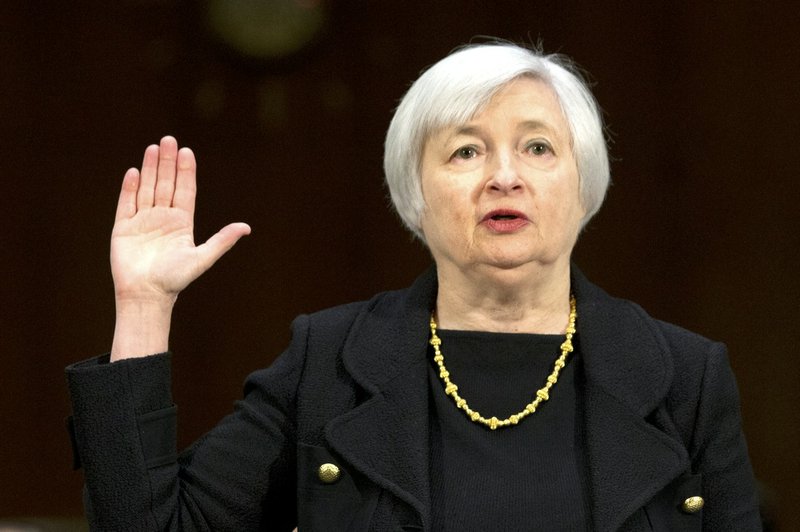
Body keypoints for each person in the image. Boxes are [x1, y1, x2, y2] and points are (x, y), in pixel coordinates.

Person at [65, 42, 762, 531]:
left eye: (538, 146)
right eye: (465, 150)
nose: (503, 175)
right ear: (415, 197)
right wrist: (144, 307)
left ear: (583, 186)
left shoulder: (684, 378)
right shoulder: (328, 362)